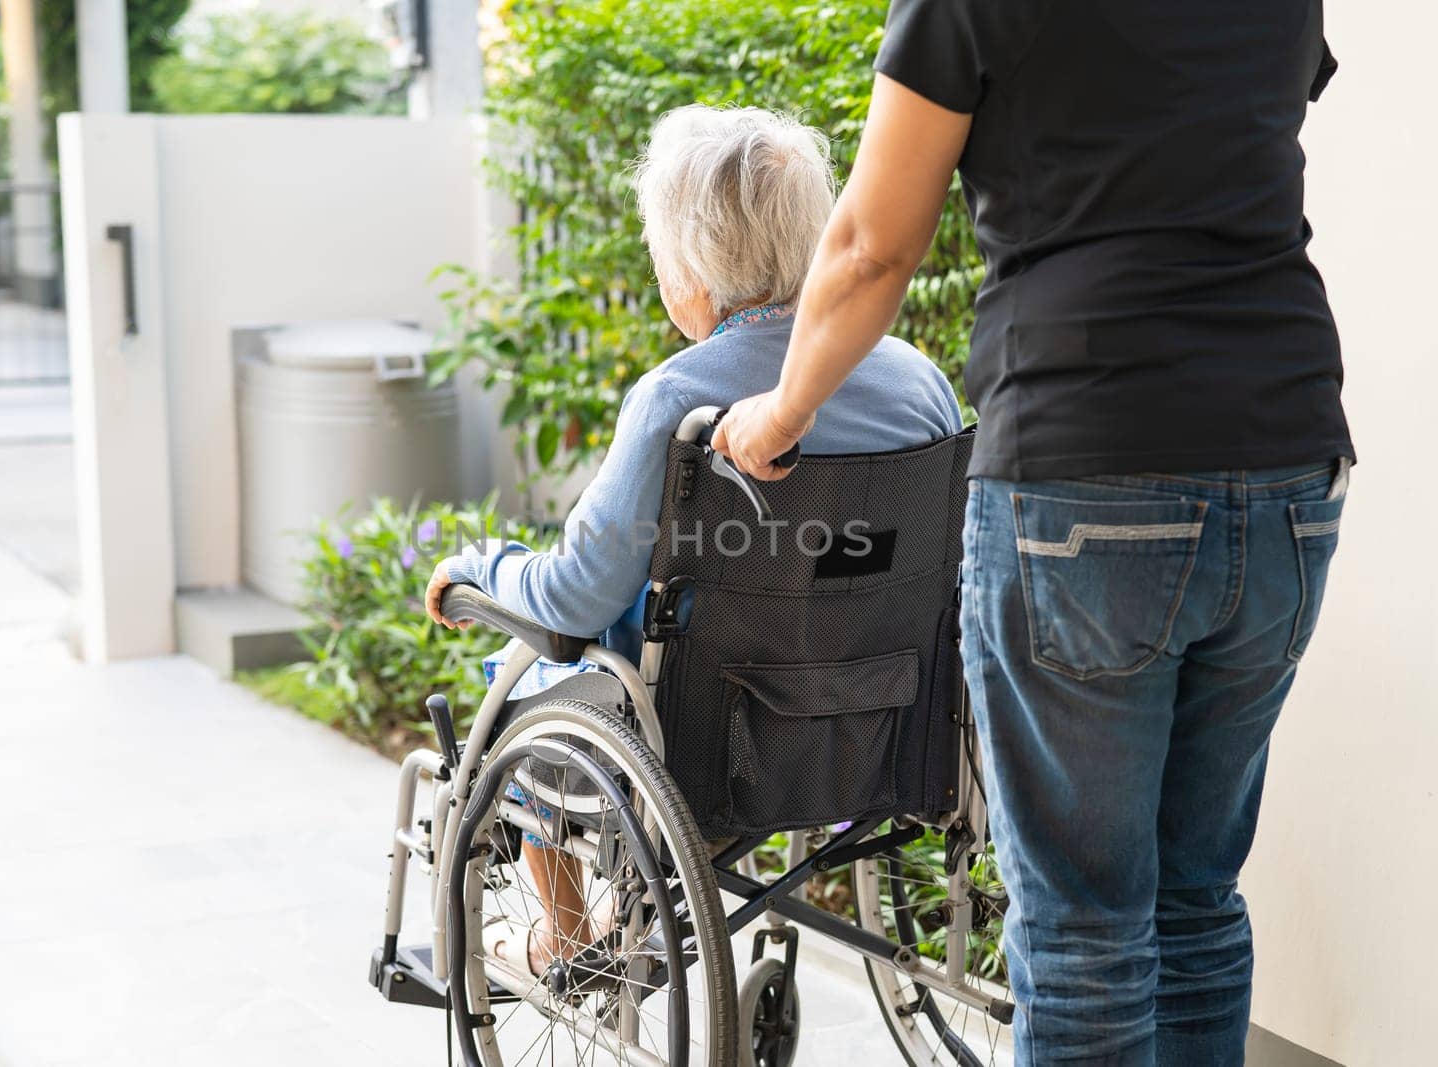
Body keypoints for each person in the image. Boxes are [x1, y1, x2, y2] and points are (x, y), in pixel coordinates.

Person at [711, 3, 1353, 1063]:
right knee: (1195, 897)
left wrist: (780, 413)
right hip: (1287, 458)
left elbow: (874, 242)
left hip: (1086, 460)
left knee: (1083, 926)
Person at [424, 104, 962, 975]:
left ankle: (565, 932)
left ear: (693, 271)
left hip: (709, 735)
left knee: (523, 670)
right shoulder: (921, 386)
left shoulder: (678, 398)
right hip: (877, 715)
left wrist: (480, 568)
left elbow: (573, 596)